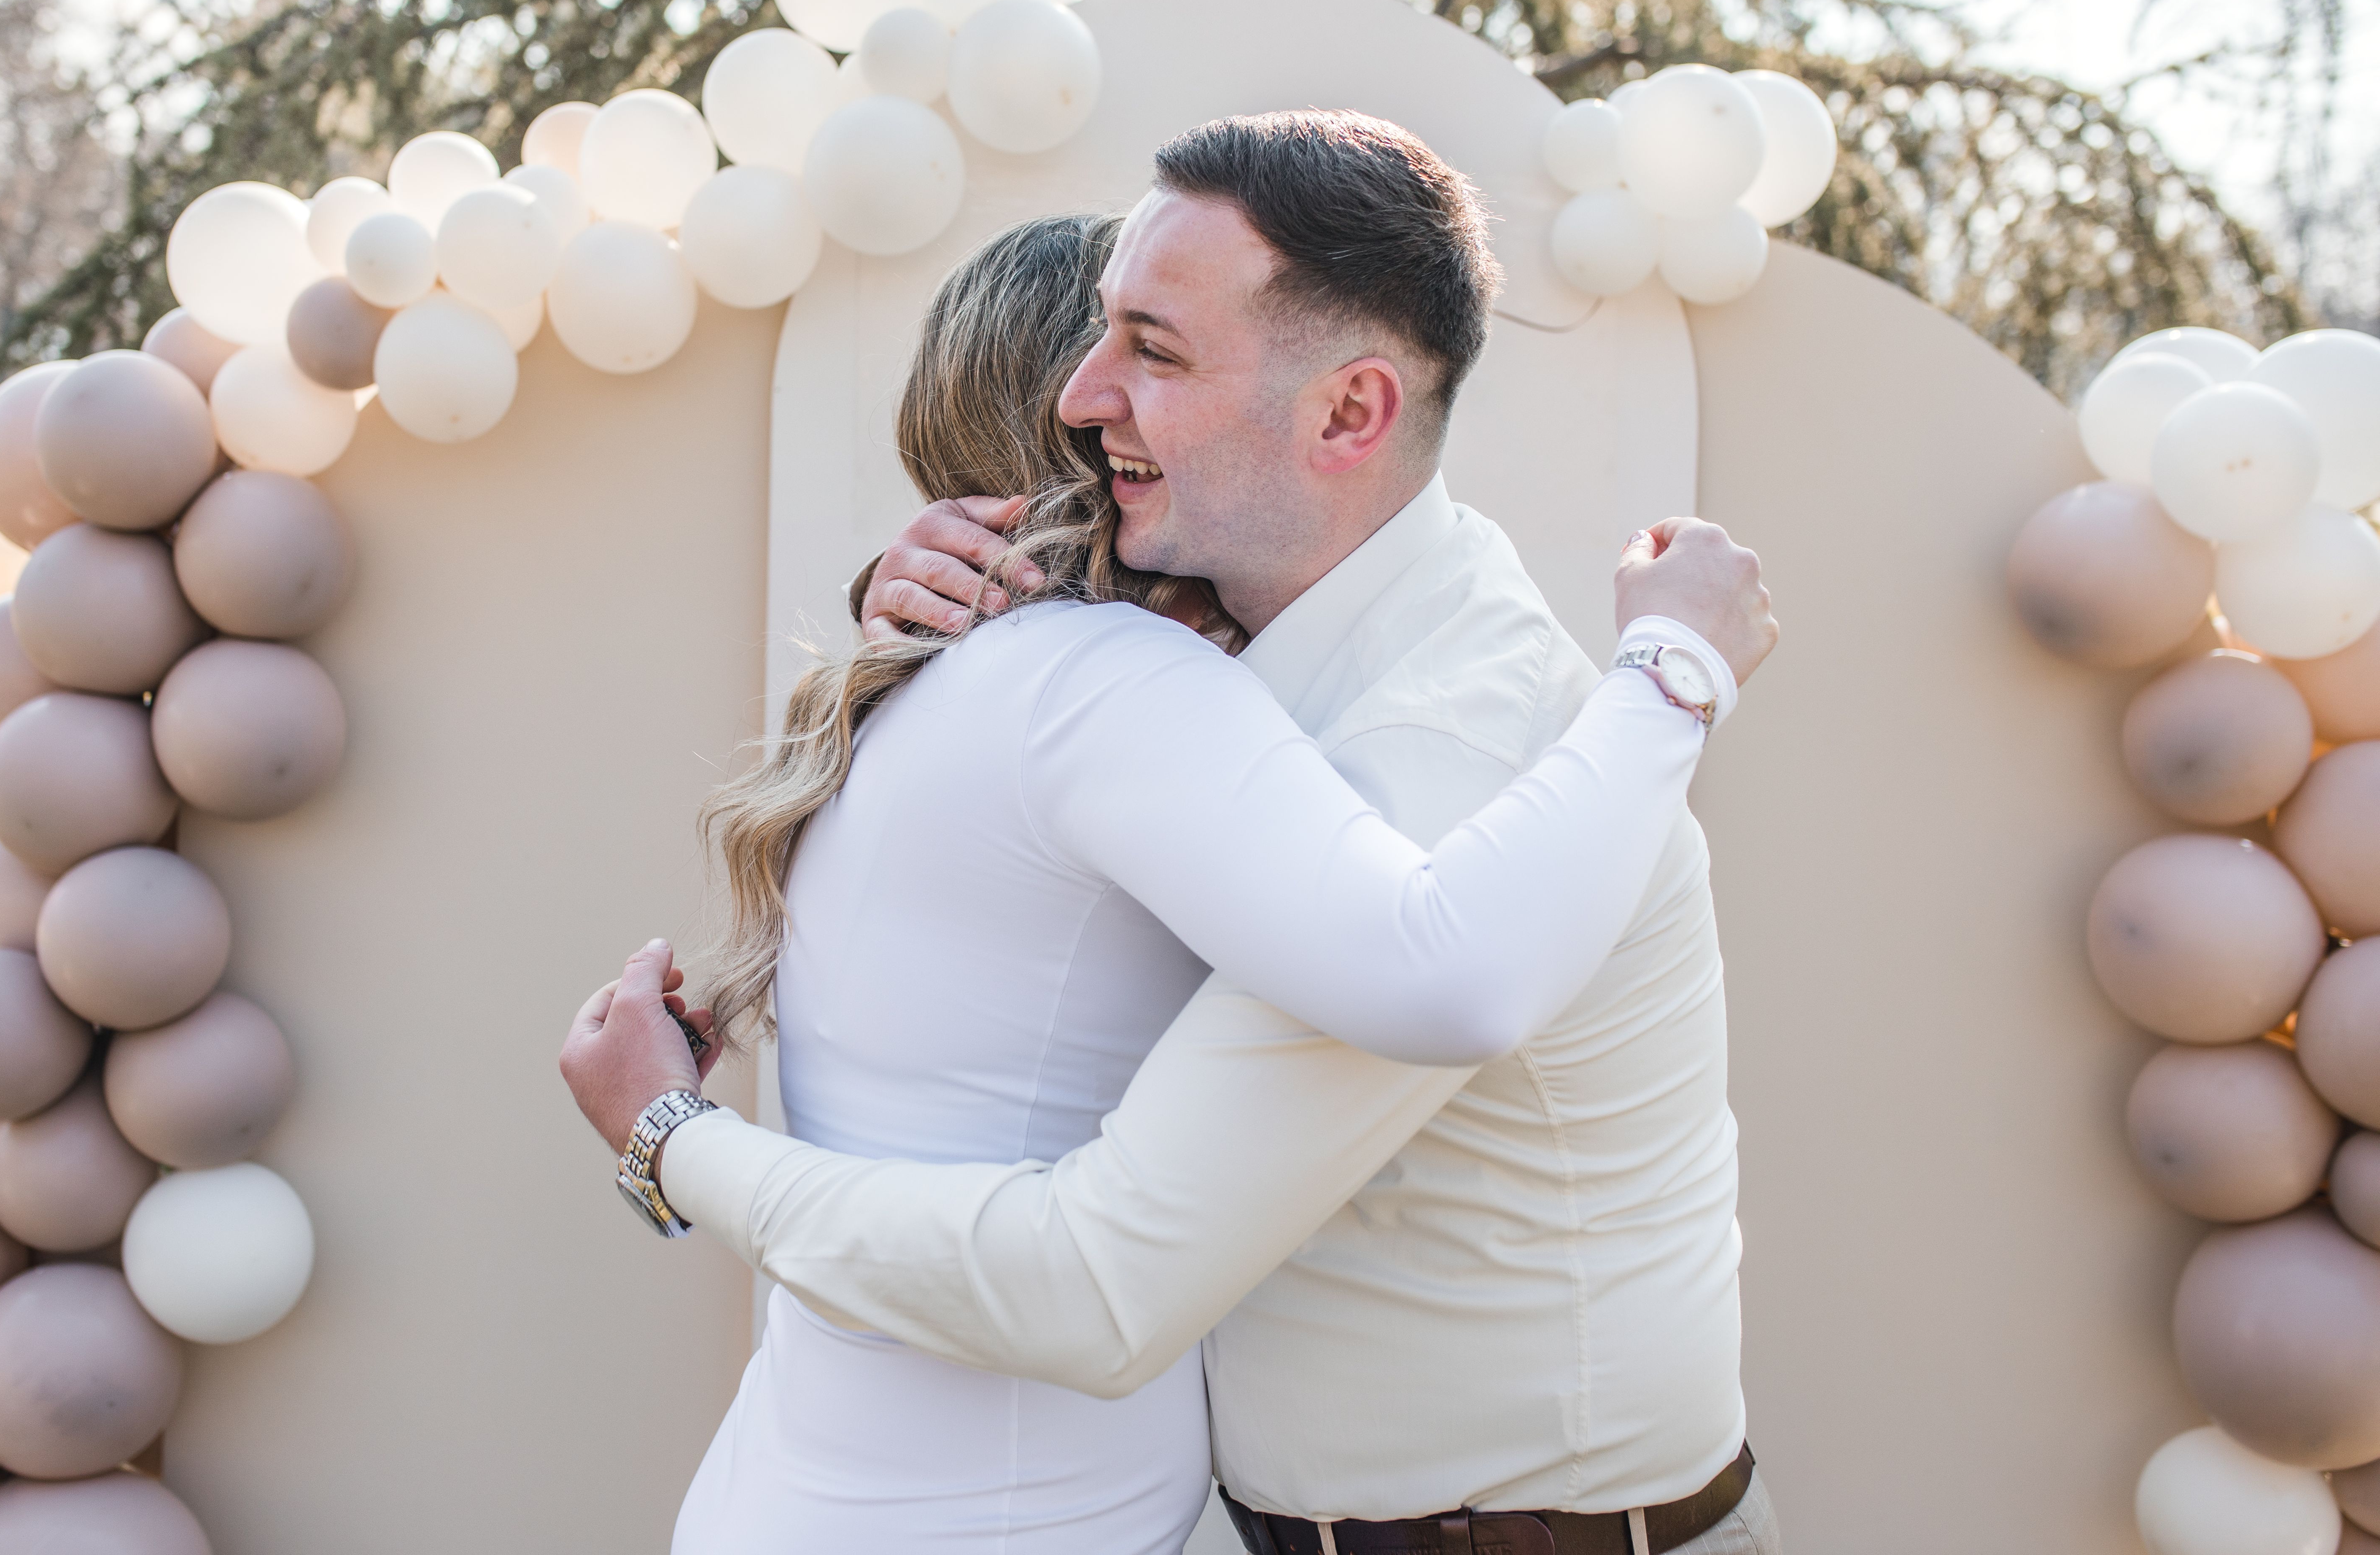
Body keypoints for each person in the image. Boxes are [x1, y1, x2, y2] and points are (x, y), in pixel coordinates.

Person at [565, 112, 1782, 1555]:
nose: (1089, 397)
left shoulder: (1431, 746)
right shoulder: (1224, 682)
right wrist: (937, 634)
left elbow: (1093, 1284)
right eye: (1096, 343)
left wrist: (667, 1136)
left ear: (1350, 415)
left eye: (1153, 348)